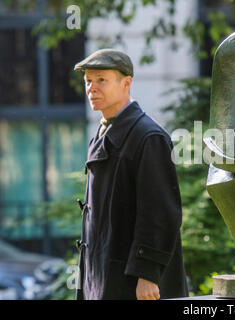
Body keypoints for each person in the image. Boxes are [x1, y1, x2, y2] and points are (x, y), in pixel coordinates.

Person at [73, 48, 188, 300]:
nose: (92, 88)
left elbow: (160, 211)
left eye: (101, 80)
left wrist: (147, 274)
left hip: (135, 284)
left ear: (126, 83)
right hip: (103, 277)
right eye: (88, 81)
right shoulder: (104, 132)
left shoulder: (148, 137)